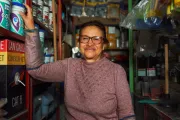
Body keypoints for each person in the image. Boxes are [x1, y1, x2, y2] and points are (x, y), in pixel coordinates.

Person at [20, 4, 135, 120]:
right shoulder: (70, 66)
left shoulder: (116, 71)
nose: (90, 43)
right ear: (79, 44)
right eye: (85, 38)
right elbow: (36, 70)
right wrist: (31, 29)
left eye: (96, 39)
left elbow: (127, 114)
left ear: (104, 45)